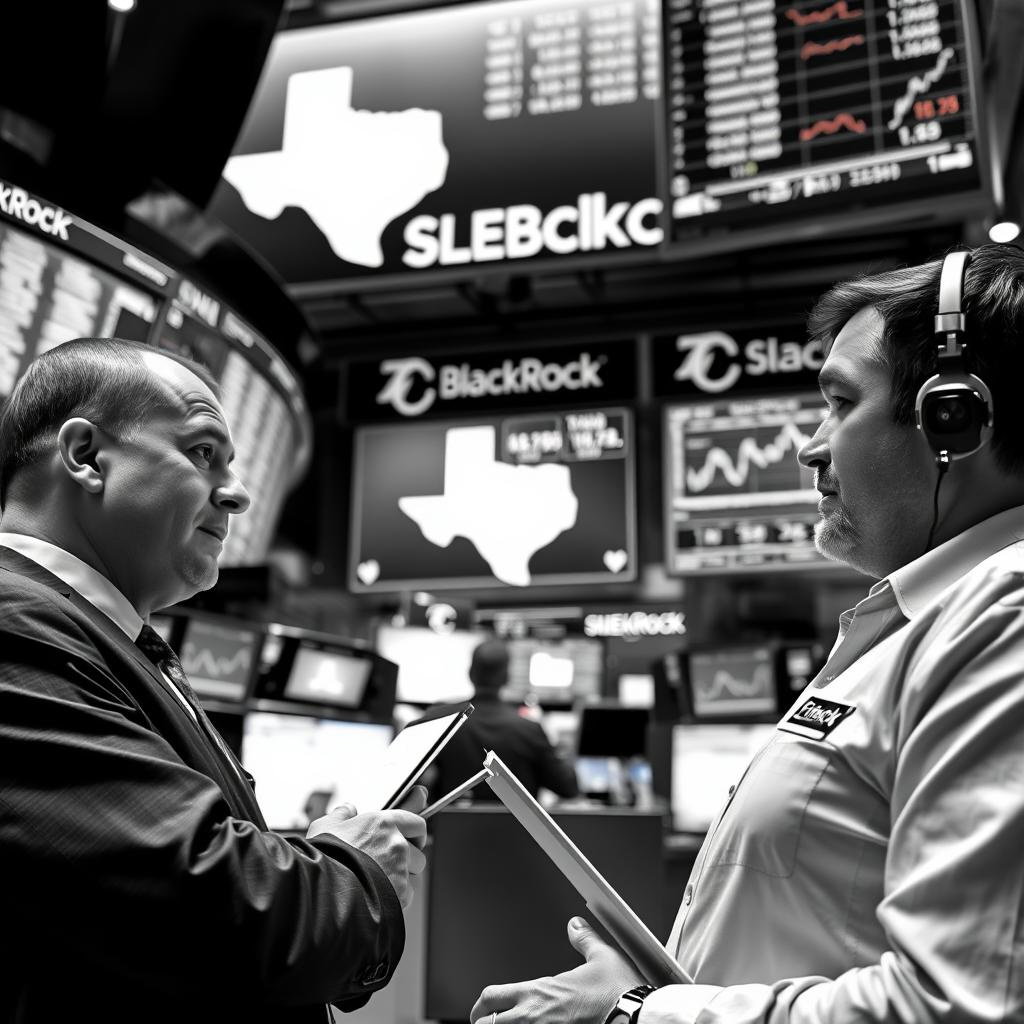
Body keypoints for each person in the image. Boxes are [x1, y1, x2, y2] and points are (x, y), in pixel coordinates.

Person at [470, 243, 1024, 1024]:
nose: (809, 444)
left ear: (952, 418)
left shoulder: (1002, 618)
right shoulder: (921, 622)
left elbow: (952, 1006)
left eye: (841, 402)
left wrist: (634, 1011)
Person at [0, 338, 427, 1024]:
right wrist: (354, 872)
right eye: (202, 452)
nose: (239, 492)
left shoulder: (104, 637)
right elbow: (213, 913)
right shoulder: (15, 625)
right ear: (85, 456)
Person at [428, 638, 579, 804]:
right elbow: (568, 788)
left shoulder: (440, 721)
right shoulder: (529, 729)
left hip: (450, 820)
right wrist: (555, 743)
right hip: (515, 822)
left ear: (470, 673)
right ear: (507, 677)